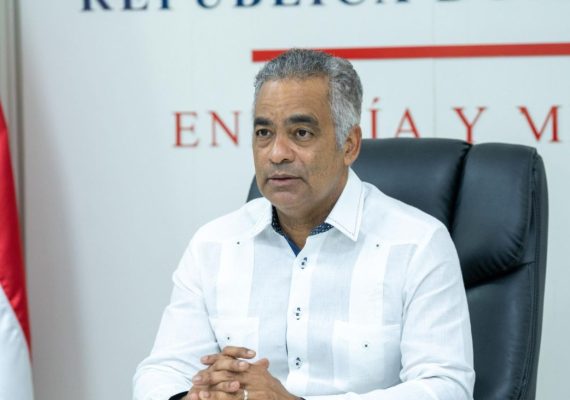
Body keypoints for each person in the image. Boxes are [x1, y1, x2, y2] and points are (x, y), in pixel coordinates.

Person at [133, 49, 475, 400]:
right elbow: (162, 371)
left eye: (301, 133)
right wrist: (194, 397)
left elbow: (445, 387)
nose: (276, 153)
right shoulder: (214, 244)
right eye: (264, 132)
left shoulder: (417, 244)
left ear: (349, 145)